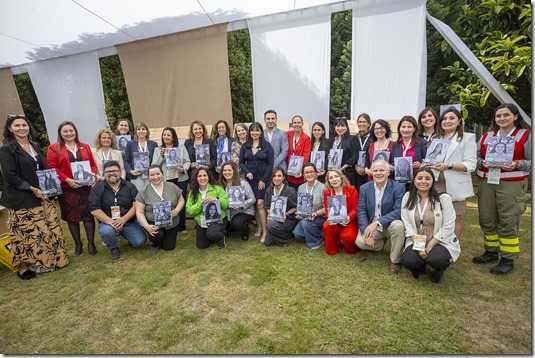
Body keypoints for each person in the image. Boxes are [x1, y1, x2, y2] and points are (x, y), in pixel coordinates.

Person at [0, 114, 68, 279]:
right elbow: (9, 175)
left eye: (24, 125)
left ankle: (51, 261)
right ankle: (24, 267)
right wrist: (31, 189)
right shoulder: (7, 149)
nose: (22, 128)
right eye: (17, 126)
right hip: (21, 198)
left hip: (43, 196)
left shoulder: (35, 146)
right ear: (10, 128)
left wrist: (50, 187)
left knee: (47, 229)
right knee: (25, 235)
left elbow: (43, 170)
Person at [473, 103, 531, 275]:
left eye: (506, 115)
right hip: (487, 182)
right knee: (486, 218)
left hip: (511, 183)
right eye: (498, 116)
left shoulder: (525, 135)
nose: (502, 119)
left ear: (515, 116)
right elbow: (475, 157)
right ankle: (491, 251)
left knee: (508, 220)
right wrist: (482, 163)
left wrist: (518, 164)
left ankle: (507, 259)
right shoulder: (487, 136)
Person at [46, 121, 98, 256]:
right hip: (67, 188)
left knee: (88, 215)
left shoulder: (84, 146)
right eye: (65, 131)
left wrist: (92, 175)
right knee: (72, 217)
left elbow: (92, 164)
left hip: (85, 187)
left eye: (71, 130)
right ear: (60, 133)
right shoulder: (54, 148)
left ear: (75, 132)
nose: (69, 133)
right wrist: (67, 180)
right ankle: (78, 244)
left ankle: (91, 243)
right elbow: (52, 167)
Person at [401, 167, 460, 283]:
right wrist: (419, 247)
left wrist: (429, 246)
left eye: (428, 178)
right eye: (419, 178)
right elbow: (407, 224)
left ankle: (439, 270)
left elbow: (448, 225)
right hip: (416, 239)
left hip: (439, 240)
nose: (423, 181)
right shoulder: (407, 197)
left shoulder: (444, 198)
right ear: (414, 181)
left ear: (433, 181)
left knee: (438, 259)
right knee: (409, 261)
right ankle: (419, 267)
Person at [425, 106, 477, 239]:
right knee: (435, 216)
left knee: (455, 217)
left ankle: (453, 247)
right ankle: (436, 243)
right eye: (445, 119)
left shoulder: (467, 138)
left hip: (454, 184)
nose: (447, 121)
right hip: (435, 182)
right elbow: (431, 159)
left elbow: (471, 165)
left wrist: (449, 166)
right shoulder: (436, 138)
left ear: (459, 121)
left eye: (452, 118)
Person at [88, 161, 147, 260]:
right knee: (107, 232)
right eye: (108, 171)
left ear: (120, 172)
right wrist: (112, 223)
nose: (111, 173)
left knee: (140, 242)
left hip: (128, 221)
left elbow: (136, 205)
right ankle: (113, 247)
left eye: (115, 170)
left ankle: (125, 233)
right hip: (108, 222)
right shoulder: (97, 189)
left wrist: (123, 220)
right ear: (104, 174)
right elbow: (94, 210)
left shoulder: (130, 186)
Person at [356, 160, 406, 273]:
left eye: (382, 170)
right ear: (372, 173)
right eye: (375, 170)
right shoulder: (364, 188)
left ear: (388, 172)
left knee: (399, 226)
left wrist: (377, 223)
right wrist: (365, 231)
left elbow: (398, 211)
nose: (378, 173)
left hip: (389, 225)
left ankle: (395, 260)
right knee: (360, 242)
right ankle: (380, 244)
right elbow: (361, 210)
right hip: (373, 225)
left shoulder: (398, 188)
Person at [136, 165, 185, 254]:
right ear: (148, 177)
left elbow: (181, 200)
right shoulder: (143, 191)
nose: (155, 177)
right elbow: (139, 211)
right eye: (152, 175)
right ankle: (155, 243)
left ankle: (165, 238)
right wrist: (147, 226)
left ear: (162, 174)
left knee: (169, 247)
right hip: (153, 223)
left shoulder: (172, 186)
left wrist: (177, 210)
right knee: (157, 235)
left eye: (158, 174)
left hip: (172, 222)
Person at [239, 122, 274, 242]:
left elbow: (270, 164)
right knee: (255, 203)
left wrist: (263, 180)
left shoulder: (267, 146)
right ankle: (258, 227)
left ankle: (265, 231)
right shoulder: (245, 146)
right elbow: (241, 163)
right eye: (252, 131)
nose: (254, 133)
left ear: (261, 132)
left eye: (257, 130)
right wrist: (247, 171)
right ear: (250, 132)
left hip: (263, 178)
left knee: (260, 203)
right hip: (250, 179)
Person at [152, 127, 191, 233]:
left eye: (168, 135)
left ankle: (182, 226)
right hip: (166, 180)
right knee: (167, 203)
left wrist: (183, 168)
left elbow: (187, 161)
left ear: (173, 136)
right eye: (164, 135)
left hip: (181, 179)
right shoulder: (158, 149)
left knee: (181, 201)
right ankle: (169, 225)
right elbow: (154, 165)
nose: (166, 137)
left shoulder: (181, 147)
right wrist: (161, 156)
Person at [186, 167, 229, 249]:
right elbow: (189, 211)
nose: (202, 178)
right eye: (200, 176)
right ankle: (211, 233)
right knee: (202, 246)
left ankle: (220, 236)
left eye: (205, 175)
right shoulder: (193, 192)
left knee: (212, 234)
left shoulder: (217, 188)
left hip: (218, 219)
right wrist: (199, 204)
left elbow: (226, 204)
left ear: (208, 177)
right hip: (202, 221)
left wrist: (217, 200)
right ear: (196, 178)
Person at [322, 168, 359, 255]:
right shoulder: (327, 192)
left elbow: (355, 209)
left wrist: (348, 218)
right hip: (335, 220)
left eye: (336, 176)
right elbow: (327, 209)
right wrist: (330, 218)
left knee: (348, 236)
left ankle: (351, 247)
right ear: (328, 181)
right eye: (331, 178)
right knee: (326, 225)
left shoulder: (351, 189)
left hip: (350, 220)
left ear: (341, 177)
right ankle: (333, 248)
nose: (334, 179)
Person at [218, 161, 256, 241]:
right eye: (224, 170)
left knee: (236, 224)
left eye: (229, 170)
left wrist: (241, 205)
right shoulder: (220, 184)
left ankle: (246, 230)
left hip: (244, 210)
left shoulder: (242, 183)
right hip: (228, 211)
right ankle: (230, 227)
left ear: (234, 171)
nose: (227, 172)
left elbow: (253, 199)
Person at [293, 163, 326, 249]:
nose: (309, 174)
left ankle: (317, 242)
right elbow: (300, 205)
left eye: (311, 171)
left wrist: (315, 214)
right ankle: (313, 232)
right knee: (298, 234)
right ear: (303, 175)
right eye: (306, 172)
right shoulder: (301, 187)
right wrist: (300, 214)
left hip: (320, 216)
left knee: (305, 223)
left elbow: (327, 208)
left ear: (316, 173)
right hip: (306, 217)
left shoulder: (323, 187)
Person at [263, 168, 297, 247]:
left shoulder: (290, 191)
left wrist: (285, 214)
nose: (276, 178)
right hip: (275, 218)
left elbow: (296, 207)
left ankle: (287, 238)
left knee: (270, 226)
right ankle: (283, 237)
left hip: (289, 219)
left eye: (279, 176)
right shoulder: (269, 190)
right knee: (267, 243)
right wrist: (271, 215)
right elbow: (267, 206)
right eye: (274, 176)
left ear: (283, 177)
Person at [391, 115, 427, 187]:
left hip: (417, 181)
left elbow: (428, 161)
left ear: (414, 129)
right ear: (399, 128)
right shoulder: (395, 145)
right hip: (398, 182)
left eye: (409, 127)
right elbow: (391, 162)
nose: (406, 130)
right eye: (403, 127)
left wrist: (421, 165)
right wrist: (392, 167)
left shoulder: (422, 143)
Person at [124, 122, 158, 192]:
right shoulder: (130, 144)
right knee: (140, 194)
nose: (141, 131)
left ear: (147, 131)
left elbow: (156, 159)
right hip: (136, 175)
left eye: (143, 129)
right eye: (139, 129)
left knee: (152, 193)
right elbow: (126, 160)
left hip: (150, 175)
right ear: (136, 132)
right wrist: (130, 170)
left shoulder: (153, 144)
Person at [328, 117, 359, 186]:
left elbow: (354, 157)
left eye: (342, 126)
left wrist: (342, 168)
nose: (340, 128)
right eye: (338, 126)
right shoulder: (332, 140)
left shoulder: (352, 139)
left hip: (346, 172)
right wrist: (328, 156)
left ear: (347, 127)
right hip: (333, 173)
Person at [286, 115, 311, 190]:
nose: (297, 124)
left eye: (299, 122)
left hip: (300, 173)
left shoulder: (306, 138)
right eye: (295, 123)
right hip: (289, 171)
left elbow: (306, 156)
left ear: (302, 124)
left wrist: (301, 170)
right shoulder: (287, 135)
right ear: (292, 124)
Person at [354, 113, 372, 191]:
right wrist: (355, 166)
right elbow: (350, 154)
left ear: (368, 124)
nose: (362, 124)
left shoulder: (373, 137)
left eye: (364, 122)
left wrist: (366, 168)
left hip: (369, 171)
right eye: (360, 122)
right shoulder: (354, 138)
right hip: (356, 171)